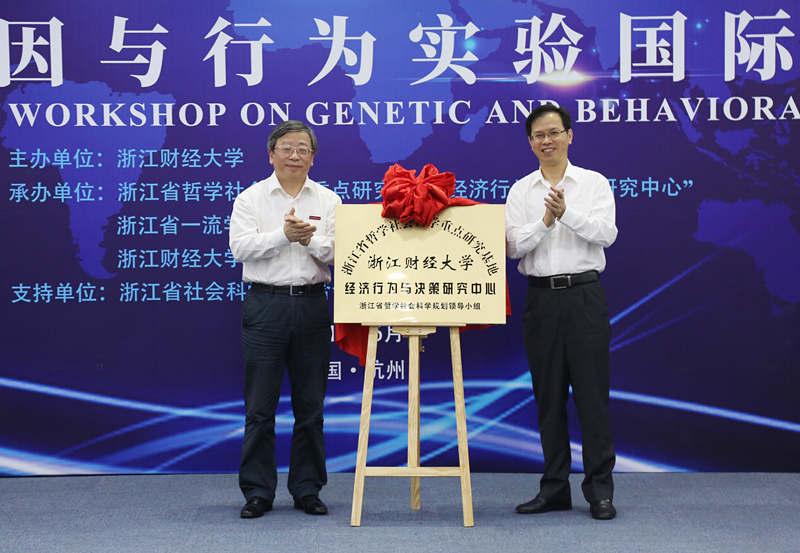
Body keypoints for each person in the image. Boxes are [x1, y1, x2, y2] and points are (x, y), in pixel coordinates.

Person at [505, 104, 618, 520]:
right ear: (530, 142)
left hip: (584, 296)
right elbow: (512, 247)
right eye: (539, 135)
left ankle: (600, 491)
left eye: (554, 132)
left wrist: (567, 213)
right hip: (541, 300)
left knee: (592, 397)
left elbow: (606, 234)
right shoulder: (521, 191)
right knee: (548, 398)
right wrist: (546, 222)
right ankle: (554, 488)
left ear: (570, 135)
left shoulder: (593, 183)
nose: (547, 141)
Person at [229, 120, 341, 518]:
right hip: (266, 305)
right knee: (260, 407)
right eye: (287, 148)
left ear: (313, 157)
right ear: (271, 154)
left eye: (303, 149)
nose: (295, 155)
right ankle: (258, 491)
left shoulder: (328, 200)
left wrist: (310, 239)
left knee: (310, 407)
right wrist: (283, 235)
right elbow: (241, 248)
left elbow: (341, 252)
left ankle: (307, 489)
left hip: (312, 306)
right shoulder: (251, 198)